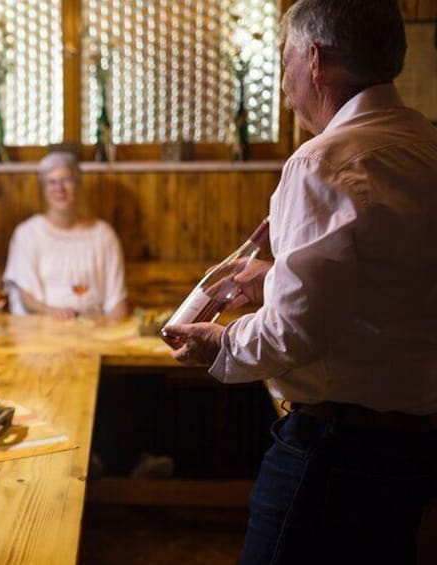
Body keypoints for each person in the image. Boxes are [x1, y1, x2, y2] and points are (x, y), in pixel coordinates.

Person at [163, 1, 437, 562]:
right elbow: (393, 288)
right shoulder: (426, 147)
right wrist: (278, 277)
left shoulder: (322, 163)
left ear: (314, 60)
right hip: (415, 449)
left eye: (284, 59)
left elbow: (292, 335)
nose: (285, 83)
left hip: (334, 452)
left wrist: (220, 343)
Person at [3, 151, 128, 321]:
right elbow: (26, 298)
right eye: (52, 182)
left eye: (66, 181)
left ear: (78, 184)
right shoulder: (27, 234)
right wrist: (53, 312)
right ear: (44, 189)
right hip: (43, 331)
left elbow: (117, 301)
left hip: (94, 330)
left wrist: (114, 336)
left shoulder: (103, 235)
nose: (59, 189)